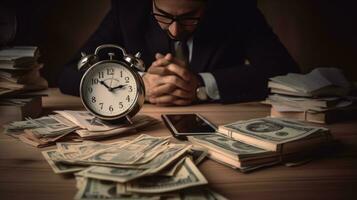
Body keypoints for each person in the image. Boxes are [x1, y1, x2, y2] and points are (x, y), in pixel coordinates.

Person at [58, 0, 299, 106]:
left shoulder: (237, 9)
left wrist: (201, 86)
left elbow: (285, 72)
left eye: (189, 17)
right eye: (163, 16)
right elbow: (68, 74)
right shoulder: (128, 9)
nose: (174, 30)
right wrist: (138, 85)